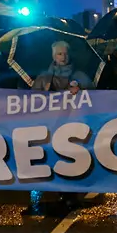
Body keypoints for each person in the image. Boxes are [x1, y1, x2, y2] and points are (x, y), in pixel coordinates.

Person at [32, 40, 91, 209]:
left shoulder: (80, 77)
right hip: (51, 127)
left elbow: (94, 98)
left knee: (71, 160)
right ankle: (60, 192)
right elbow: (32, 101)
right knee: (55, 159)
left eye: (65, 53)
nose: (63, 57)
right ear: (53, 56)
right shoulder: (44, 77)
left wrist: (80, 92)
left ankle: (70, 194)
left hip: (73, 127)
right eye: (59, 54)